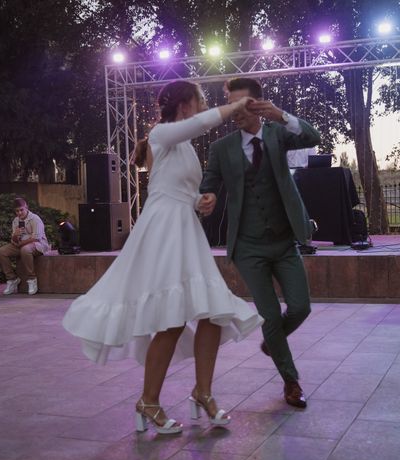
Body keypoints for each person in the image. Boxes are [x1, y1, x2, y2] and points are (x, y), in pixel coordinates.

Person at [62, 80, 263, 435]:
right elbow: (199, 127)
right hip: (163, 232)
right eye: (200, 101)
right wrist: (235, 107)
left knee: (213, 313)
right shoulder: (162, 133)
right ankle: (149, 401)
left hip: (185, 228)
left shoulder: (182, 144)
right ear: (185, 104)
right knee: (170, 320)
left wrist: (201, 201)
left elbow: (181, 190)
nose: (203, 107)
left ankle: (203, 392)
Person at [199, 77, 321, 409]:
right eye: (231, 104)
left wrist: (281, 115)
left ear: (257, 104)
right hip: (248, 246)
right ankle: (291, 381)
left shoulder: (278, 134)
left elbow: (313, 136)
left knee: (300, 307)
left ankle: (273, 341)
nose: (235, 112)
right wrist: (207, 196)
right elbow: (209, 182)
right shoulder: (221, 148)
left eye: (242, 104)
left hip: (283, 242)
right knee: (269, 316)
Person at [0, 197, 49, 295]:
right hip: (21, 245)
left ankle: (32, 279)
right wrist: (15, 235)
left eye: (21, 210)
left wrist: (19, 244)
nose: (19, 213)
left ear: (26, 208)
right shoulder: (16, 221)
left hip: (38, 245)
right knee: (1, 251)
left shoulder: (35, 219)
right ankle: (12, 279)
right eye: (17, 211)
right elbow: (14, 241)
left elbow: (36, 238)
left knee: (25, 250)